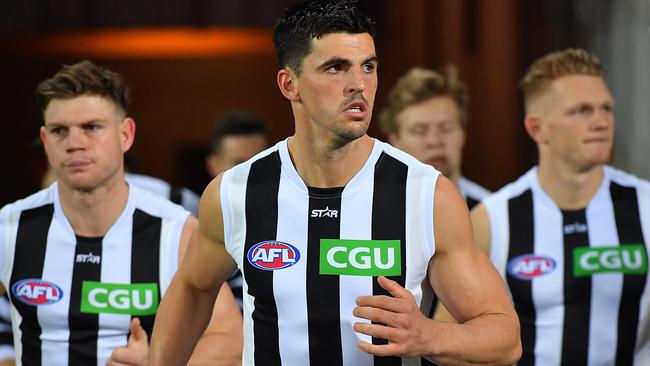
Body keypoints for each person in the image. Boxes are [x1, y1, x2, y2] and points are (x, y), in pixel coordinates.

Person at [148, 1, 521, 365]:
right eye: (336, 68)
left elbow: (505, 339)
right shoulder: (236, 193)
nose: (358, 84)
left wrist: (429, 335)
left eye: (368, 66)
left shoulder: (427, 194)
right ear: (289, 84)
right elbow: (194, 289)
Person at [0, 60, 242, 365]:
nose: (75, 143)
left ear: (125, 134)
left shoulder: (175, 230)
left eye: (91, 127)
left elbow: (230, 342)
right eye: (59, 130)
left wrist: (155, 363)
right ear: (46, 142)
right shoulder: (10, 226)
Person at [471, 48, 650, 365]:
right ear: (536, 128)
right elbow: (452, 334)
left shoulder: (645, 206)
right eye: (582, 110)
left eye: (606, 108)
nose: (601, 122)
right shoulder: (493, 220)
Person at [379, 66, 490, 209]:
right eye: (420, 131)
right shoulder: (371, 213)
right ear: (394, 142)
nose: (435, 141)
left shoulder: (492, 216)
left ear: (463, 133)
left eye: (446, 129)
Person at [205, 111, 271, 310]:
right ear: (213, 165)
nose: (250, 171)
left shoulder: (300, 218)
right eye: (239, 164)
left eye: (259, 160)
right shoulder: (189, 227)